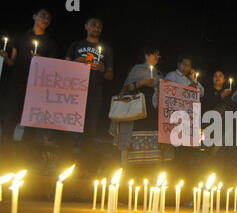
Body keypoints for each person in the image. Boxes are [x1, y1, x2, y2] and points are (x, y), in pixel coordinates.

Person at [0, 9, 57, 166]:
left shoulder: (50, 42)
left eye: (48, 17)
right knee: (9, 121)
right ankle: (5, 157)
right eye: (43, 15)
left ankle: (23, 160)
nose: (45, 19)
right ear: (34, 17)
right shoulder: (21, 37)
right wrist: (5, 58)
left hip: (36, 89)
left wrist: (40, 61)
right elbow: (12, 61)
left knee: (30, 125)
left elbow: (51, 67)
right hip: (16, 84)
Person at [65, 17, 114, 153]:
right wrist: (76, 61)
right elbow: (63, 66)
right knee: (72, 127)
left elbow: (110, 76)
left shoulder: (106, 49)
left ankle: (85, 159)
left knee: (90, 129)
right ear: (86, 26)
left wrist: (103, 69)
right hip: (74, 92)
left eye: (99, 26)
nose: (96, 28)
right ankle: (69, 155)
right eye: (93, 25)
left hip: (94, 93)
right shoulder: (76, 45)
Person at [109, 47, 163, 165]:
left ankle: (150, 170)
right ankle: (133, 171)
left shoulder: (158, 73)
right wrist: (142, 83)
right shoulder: (137, 69)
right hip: (138, 109)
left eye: (159, 55)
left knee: (152, 141)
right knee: (135, 138)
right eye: (155, 54)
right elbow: (125, 89)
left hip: (153, 110)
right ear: (146, 55)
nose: (157, 58)